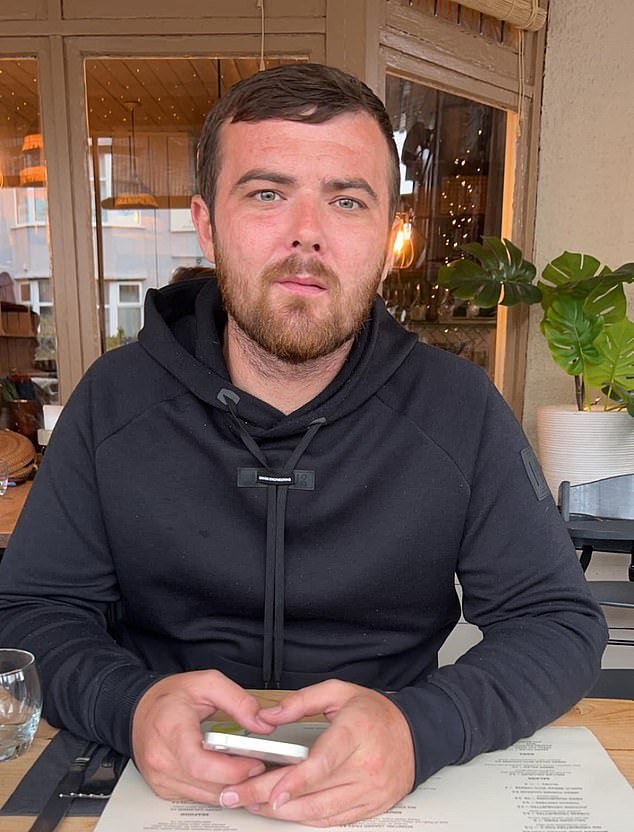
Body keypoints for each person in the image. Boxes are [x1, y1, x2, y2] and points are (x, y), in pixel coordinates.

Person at [0, 64, 606, 826]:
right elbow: (31, 610)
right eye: (266, 194)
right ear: (206, 224)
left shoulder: (459, 409)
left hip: (387, 791)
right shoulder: (113, 401)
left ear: (388, 237)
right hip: (157, 785)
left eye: (347, 200)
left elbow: (557, 622)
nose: (307, 234)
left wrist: (420, 729)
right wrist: (132, 705)